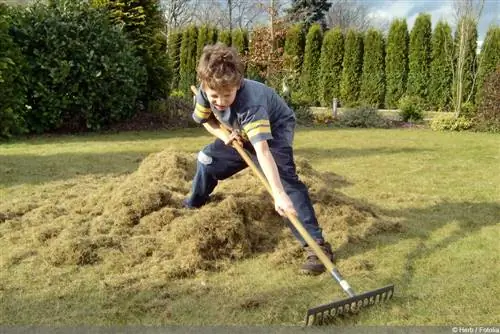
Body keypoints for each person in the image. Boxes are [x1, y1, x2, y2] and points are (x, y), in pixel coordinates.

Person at [183, 43, 334, 275]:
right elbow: (207, 121)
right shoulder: (205, 92)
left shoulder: (251, 103)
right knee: (206, 159)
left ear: (238, 84)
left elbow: (262, 150)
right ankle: (194, 202)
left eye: (227, 95)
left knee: (284, 182)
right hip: (239, 132)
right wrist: (224, 134)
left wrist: (278, 194)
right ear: (205, 85)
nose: (220, 102)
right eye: (215, 96)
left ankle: (317, 247)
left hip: (274, 131)